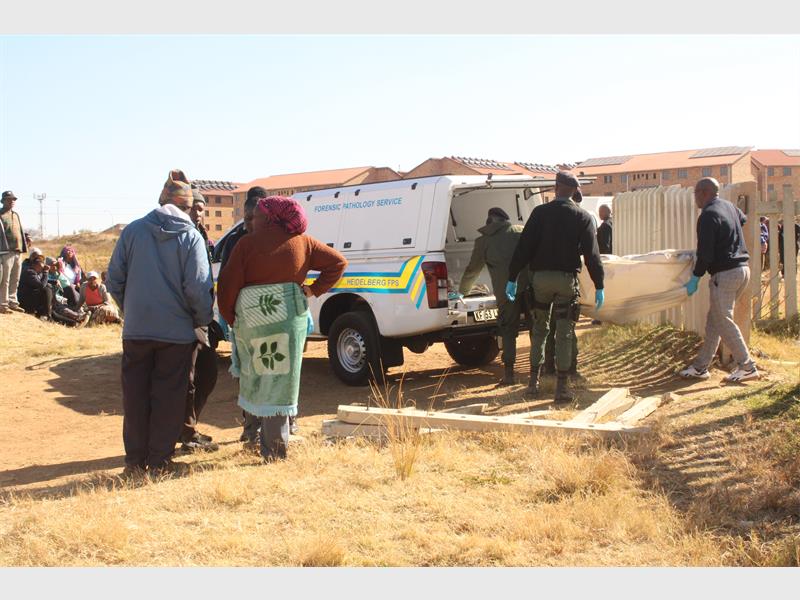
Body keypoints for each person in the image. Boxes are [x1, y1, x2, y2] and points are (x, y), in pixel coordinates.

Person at [217, 195, 347, 462]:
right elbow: (338, 263)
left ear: (270, 218)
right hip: (289, 323)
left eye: (259, 215)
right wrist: (312, 290)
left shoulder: (246, 244)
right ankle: (275, 448)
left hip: (253, 322)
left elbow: (228, 285)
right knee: (280, 378)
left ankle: (255, 439)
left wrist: (231, 318)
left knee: (254, 375)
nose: (254, 219)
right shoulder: (304, 242)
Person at [106, 169, 214, 478]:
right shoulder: (191, 236)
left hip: (136, 331)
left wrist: (132, 309)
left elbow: (114, 279)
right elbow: (197, 286)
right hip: (176, 335)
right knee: (168, 396)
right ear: (187, 205)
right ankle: (159, 462)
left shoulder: (133, 231)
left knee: (136, 396)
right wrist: (200, 318)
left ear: (161, 200)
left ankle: (135, 461)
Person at [507, 171, 605, 404]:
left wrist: (512, 277)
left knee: (540, 330)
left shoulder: (540, 213)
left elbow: (524, 247)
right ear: (574, 191)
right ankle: (561, 388)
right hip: (565, 280)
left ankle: (533, 383)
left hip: (540, 279)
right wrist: (599, 284)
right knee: (564, 333)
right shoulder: (581, 216)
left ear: (556, 187)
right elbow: (592, 255)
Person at [679, 177, 758, 383]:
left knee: (723, 320)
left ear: (704, 192)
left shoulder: (707, 215)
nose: (695, 197)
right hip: (742, 271)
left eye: (696, 193)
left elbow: (705, 254)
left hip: (725, 273)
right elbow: (743, 219)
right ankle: (700, 367)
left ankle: (747, 366)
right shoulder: (729, 207)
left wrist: (695, 277)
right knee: (714, 321)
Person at [457, 207, 529, 385]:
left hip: (506, 293)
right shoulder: (521, 232)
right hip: (531, 287)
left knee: (508, 331)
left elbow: (473, 270)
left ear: (489, 223)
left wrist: (462, 291)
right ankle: (540, 372)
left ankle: (510, 375)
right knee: (538, 328)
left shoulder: (484, 241)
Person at [178, 184, 220, 454]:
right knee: (189, 379)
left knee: (208, 373)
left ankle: (188, 428)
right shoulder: (180, 235)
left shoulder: (200, 234)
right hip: (183, 318)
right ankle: (185, 432)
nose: (198, 214)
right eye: (194, 208)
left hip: (202, 316)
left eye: (202, 210)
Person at [0, 190, 28, 314]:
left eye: (13, 199)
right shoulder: (0, 214)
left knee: (15, 278)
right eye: (9, 199)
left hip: (18, 251)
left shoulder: (15, 214)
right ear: (3, 201)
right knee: (4, 279)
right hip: (5, 252)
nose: (12, 201)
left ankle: (12, 302)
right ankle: (3, 304)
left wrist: (25, 243)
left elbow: (20, 231)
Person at [17, 251, 54, 320]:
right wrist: (45, 272)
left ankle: (48, 313)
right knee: (46, 289)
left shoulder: (34, 271)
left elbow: (41, 282)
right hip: (25, 302)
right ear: (35, 265)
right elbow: (41, 286)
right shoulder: (29, 272)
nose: (42, 269)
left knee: (49, 287)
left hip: (31, 298)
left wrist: (53, 281)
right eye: (41, 266)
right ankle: (47, 314)